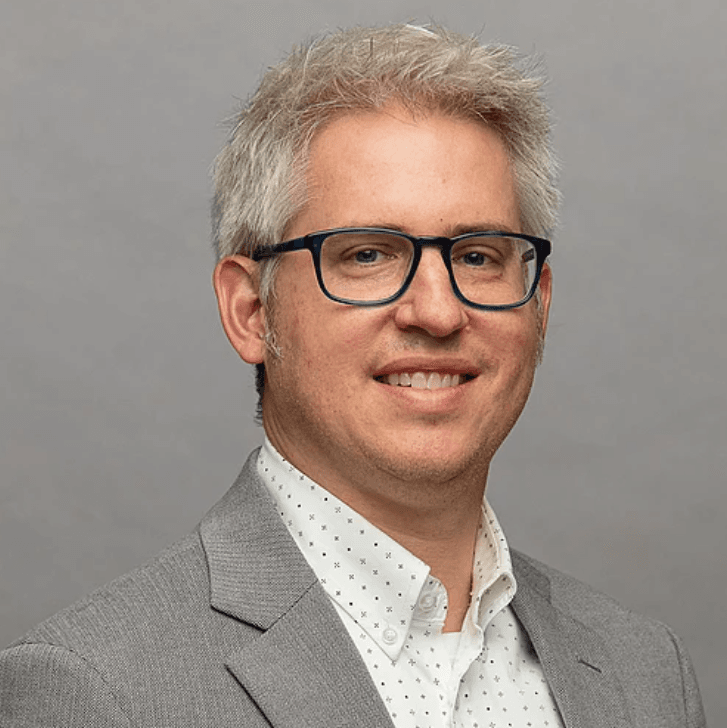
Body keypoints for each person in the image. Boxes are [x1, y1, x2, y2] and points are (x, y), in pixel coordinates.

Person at [0, 23, 705, 728]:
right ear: (251, 311)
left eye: (478, 257)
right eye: (367, 255)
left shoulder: (646, 673)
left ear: (539, 305)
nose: (438, 312)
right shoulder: (95, 689)